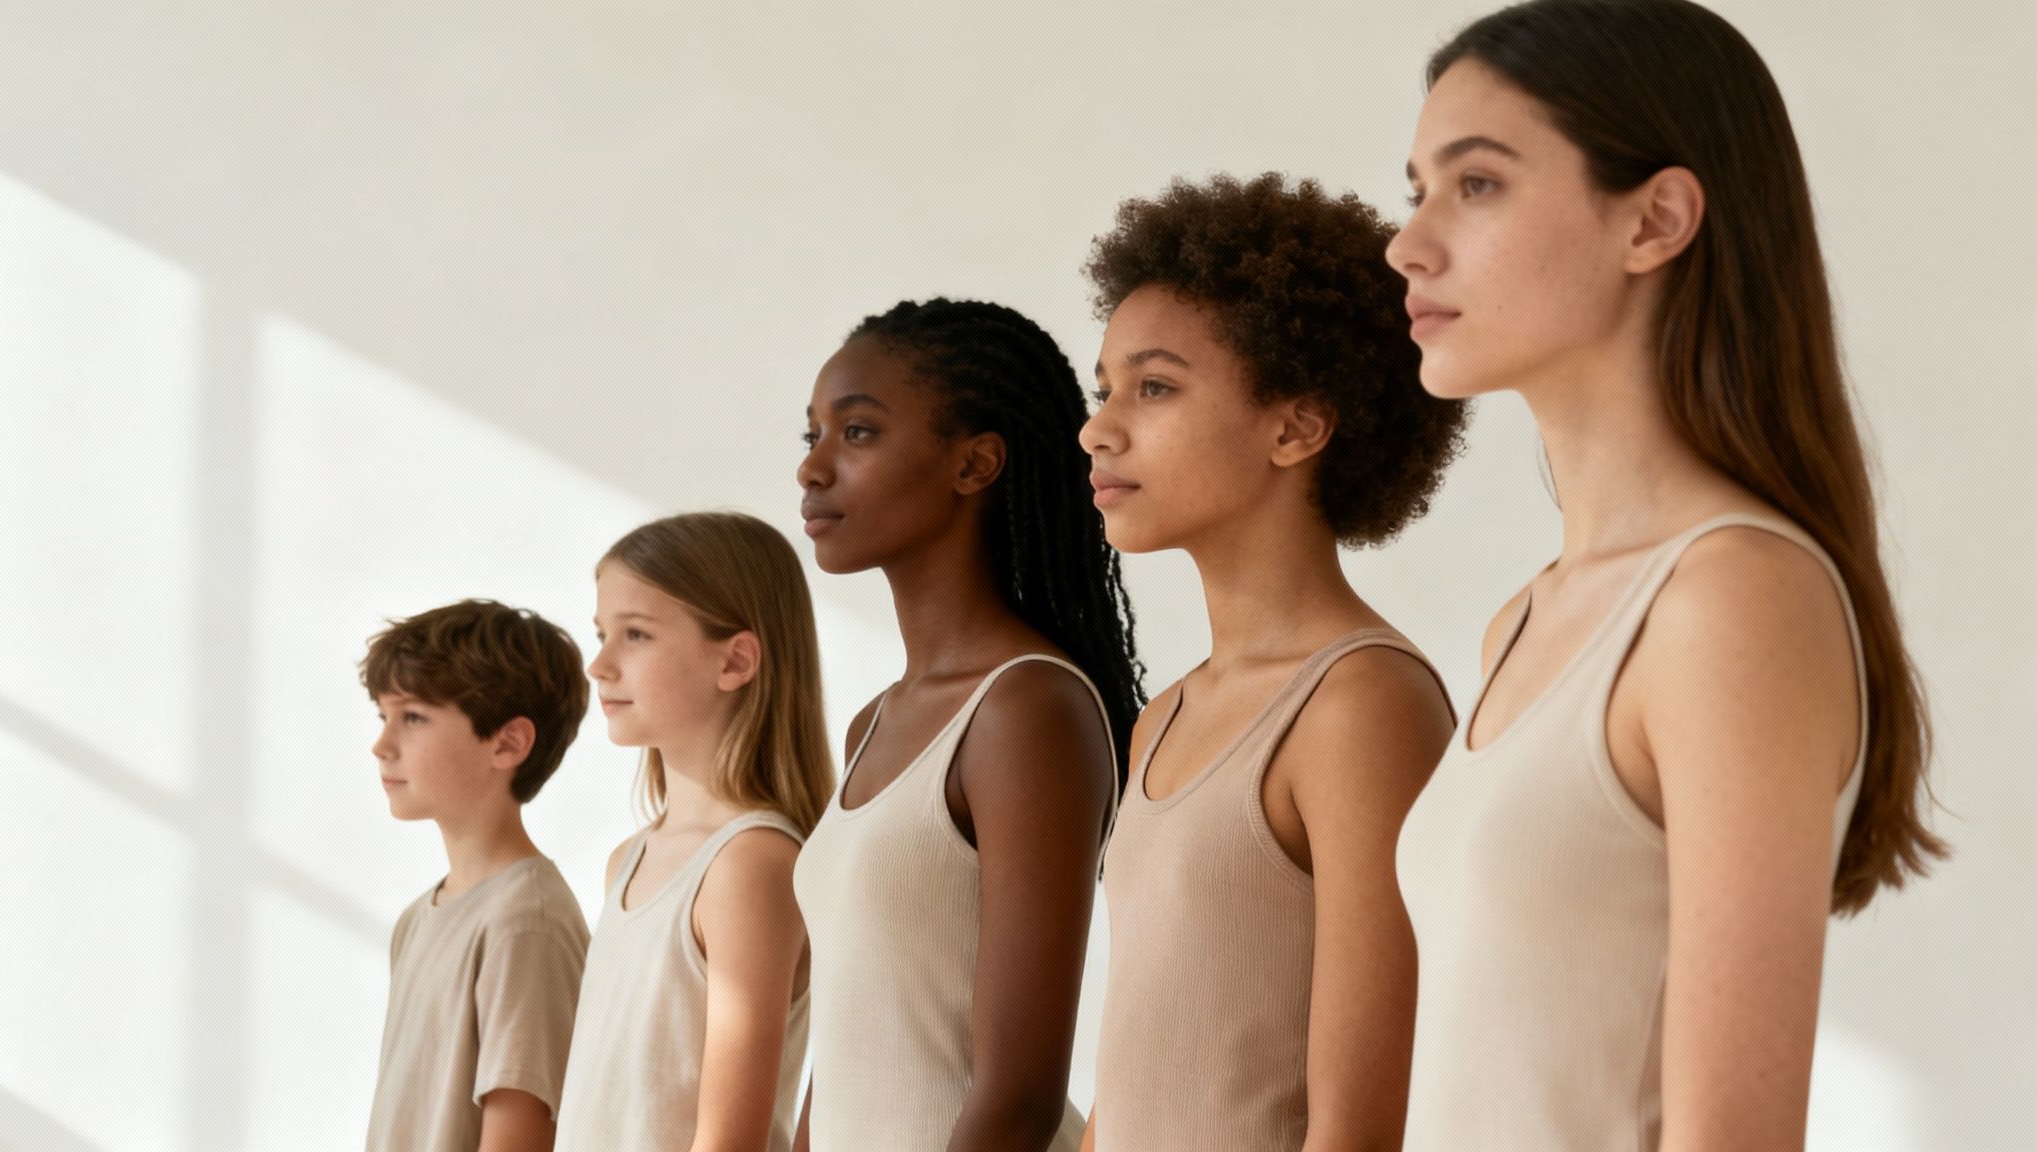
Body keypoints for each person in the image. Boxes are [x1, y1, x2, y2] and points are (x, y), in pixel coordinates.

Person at [1385, 3, 1948, 1148]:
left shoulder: (1731, 599)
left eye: (1475, 184)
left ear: (1653, 220)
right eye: (1417, 189)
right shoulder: (1525, 621)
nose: (1407, 243)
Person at [1076, 172, 1466, 1152]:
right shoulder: (1161, 720)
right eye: (1104, 389)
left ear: (1295, 426)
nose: (1098, 428)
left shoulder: (1363, 703)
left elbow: (1362, 1126)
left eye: (1153, 387)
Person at [791, 297, 1143, 1151]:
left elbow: (1019, 1099)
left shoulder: (1028, 709)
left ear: (975, 462)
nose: (812, 468)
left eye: (857, 432)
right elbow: (844, 1051)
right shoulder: (875, 725)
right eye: (812, 435)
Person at [555, 512, 834, 1151]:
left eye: (635, 634)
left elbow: (729, 1140)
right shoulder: (627, 861)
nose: (599, 664)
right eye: (601, 633)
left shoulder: (750, 864)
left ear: (735, 660)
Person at [359, 599, 592, 1152]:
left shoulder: (526, 924)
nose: (381, 745)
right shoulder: (418, 919)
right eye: (383, 717)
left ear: (508, 742)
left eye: (413, 717)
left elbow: (521, 1137)